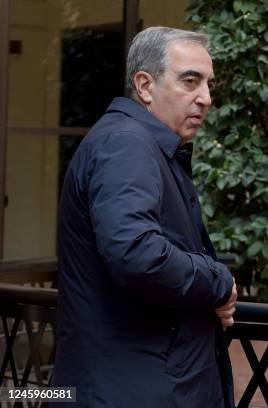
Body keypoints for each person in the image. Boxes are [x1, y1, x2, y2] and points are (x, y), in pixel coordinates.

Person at [52, 27, 236, 408]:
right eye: (190, 81)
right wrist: (218, 281)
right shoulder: (127, 143)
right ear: (145, 85)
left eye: (208, 83)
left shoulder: (137, 142)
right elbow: (136, 252)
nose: (205, 98)